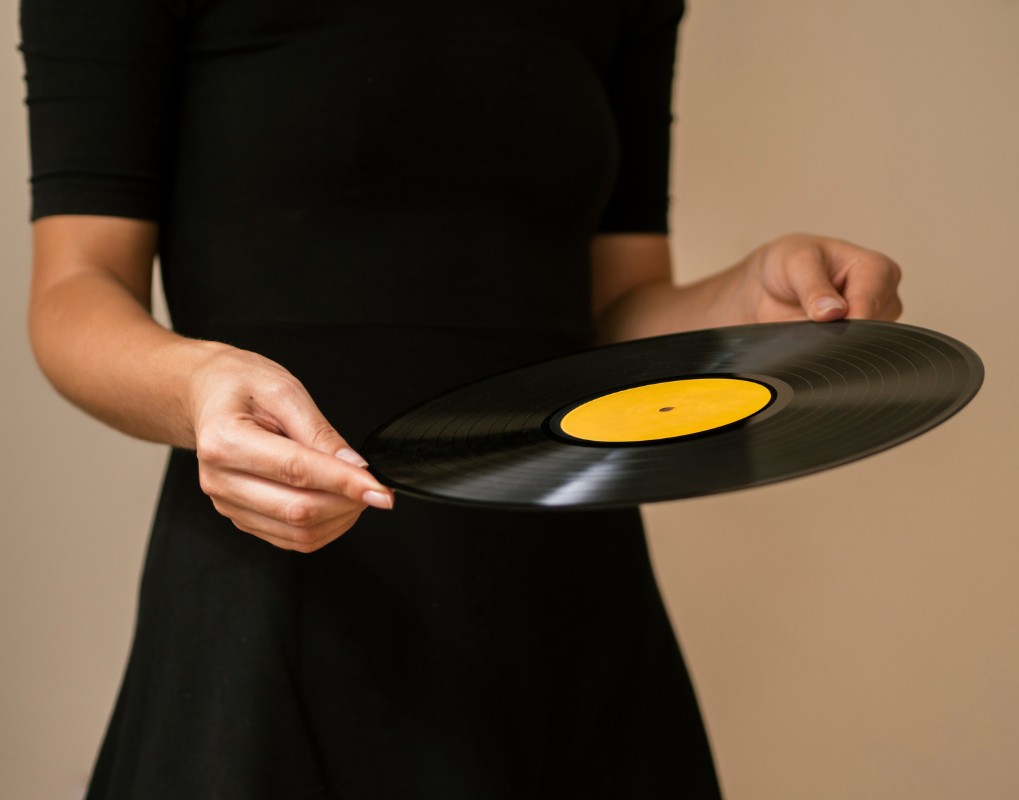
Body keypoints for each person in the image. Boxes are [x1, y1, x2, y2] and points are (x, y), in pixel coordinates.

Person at [20, 0, 902, 797]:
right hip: (283, 567)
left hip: (563, 591)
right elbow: (73, 291)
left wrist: (748, 300)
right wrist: (197, 389)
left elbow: (613, 312)